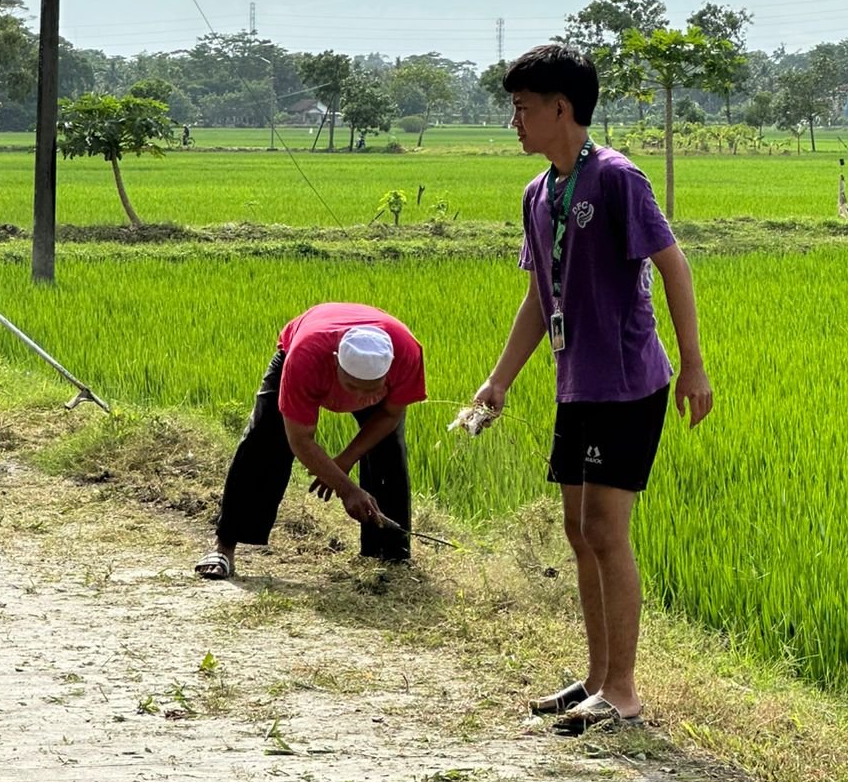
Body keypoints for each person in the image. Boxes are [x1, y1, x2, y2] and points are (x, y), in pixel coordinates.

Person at [474, 44, 712, 733]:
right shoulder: (539, 193)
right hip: (575, 382)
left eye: (522, 108)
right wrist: (499, 380)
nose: (514, 122)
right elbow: (537, 294)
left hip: (628, 382)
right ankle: (597, 678)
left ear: (561, 108)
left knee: (606, 530)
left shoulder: (617, 179)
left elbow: (674, 267)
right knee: (579, 532)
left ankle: (626, 692)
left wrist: (692, 364)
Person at [195, 304, 426, 579]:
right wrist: (348, 489)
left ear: (388, 372)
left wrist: (342, 464)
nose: (361, 399)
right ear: (335, 360)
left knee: (388, 451)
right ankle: (224, 546)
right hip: (306, 342)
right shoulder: (306, 358)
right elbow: (300, 439)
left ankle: (390, 559)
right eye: (352, 387)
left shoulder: (407, 354)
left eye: (372, 390)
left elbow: (389, 414)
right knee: (264, 439)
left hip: (366, 356)